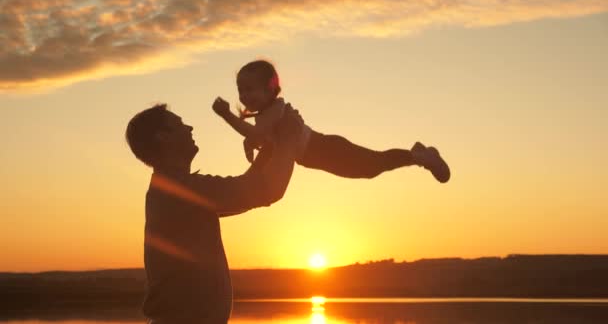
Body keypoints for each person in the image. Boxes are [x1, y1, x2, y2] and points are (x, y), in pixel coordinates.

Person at [125, 103, 302, 324]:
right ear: (163, 137)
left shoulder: (173, 188)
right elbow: (266, 190)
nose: (190, 128)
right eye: (180, 124)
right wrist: (289, 139)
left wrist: (269, 150)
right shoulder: (179, 189)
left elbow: (244, 193)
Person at [212, 59, 451, 183]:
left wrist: (227, 116)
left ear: (269, 89)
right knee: (372, 167)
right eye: (240, 90)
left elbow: (257, 135)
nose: (244, 96)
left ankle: (420, 156)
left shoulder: (276, 108)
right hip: (322, 157)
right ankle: (416, 155)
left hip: (327, 149)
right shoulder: (265, 116)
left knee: (372, 165)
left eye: (250, 89)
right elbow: (259, 137)